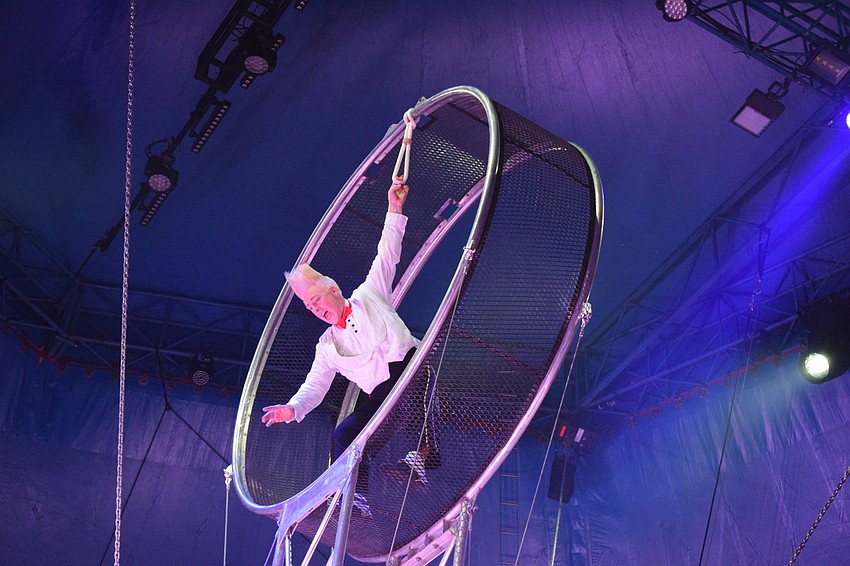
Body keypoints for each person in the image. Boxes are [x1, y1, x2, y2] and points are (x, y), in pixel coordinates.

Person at [261, 183, 436, 515]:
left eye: (316, 300)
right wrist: (293, 408)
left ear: (334, 290)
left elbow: (388, 252)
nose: (314, 309)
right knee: (345, 434)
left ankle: (420, 458)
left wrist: (394, 209)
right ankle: (356, 498)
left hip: (412, 371)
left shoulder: (369, 295)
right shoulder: (328, 346)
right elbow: (316, 384)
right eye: (308, 306)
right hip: (382, 398)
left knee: (411, 385)